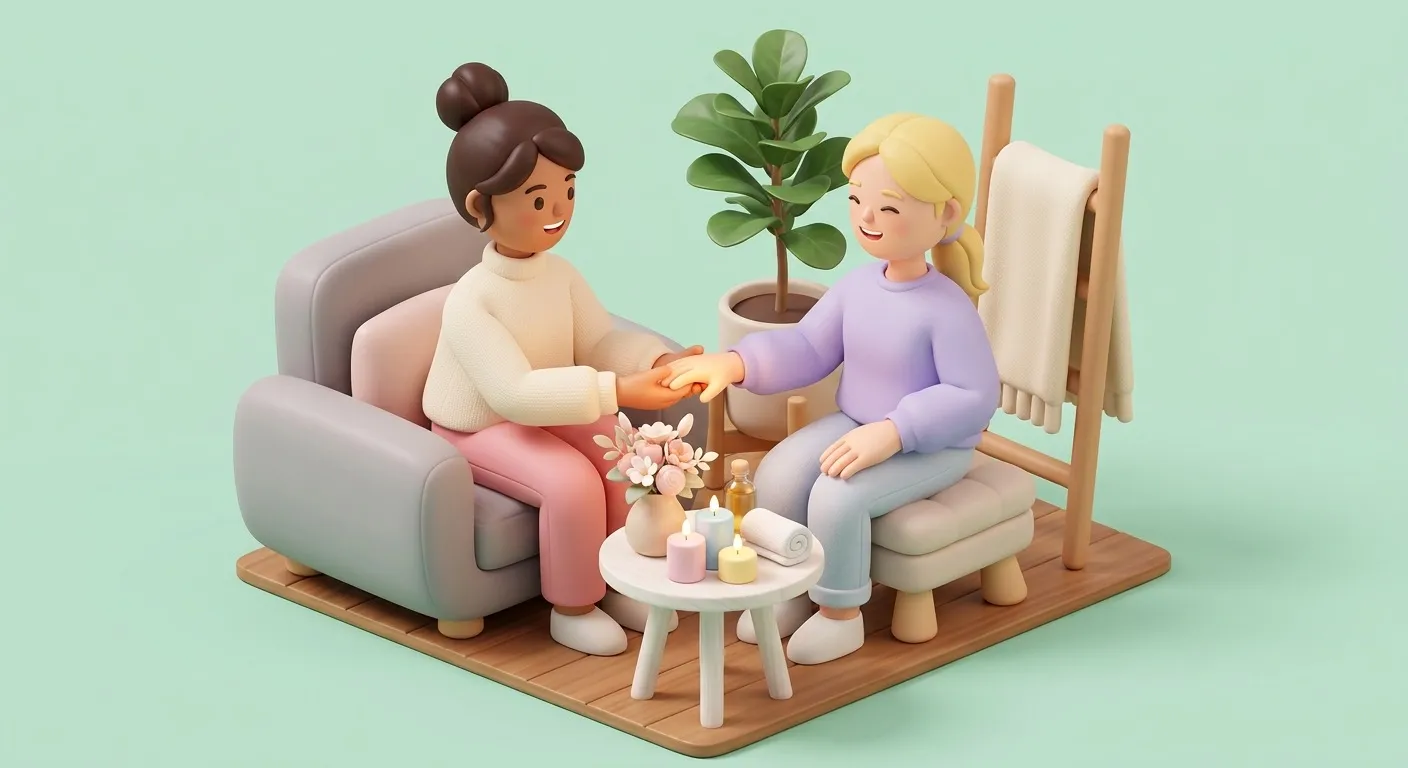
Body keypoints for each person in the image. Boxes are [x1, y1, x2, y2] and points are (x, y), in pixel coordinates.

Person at [666, 113, 1000, 664]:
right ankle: (788, 588)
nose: (867, 217)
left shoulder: (948, 309)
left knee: (837, 498)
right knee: (779, 473)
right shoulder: (858, 286)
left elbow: (973, 395)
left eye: (889, 207)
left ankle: (839, 613)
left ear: (945, 215)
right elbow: (808, 347)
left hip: (932, 447)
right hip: (855, 423)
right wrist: (738, 361)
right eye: (856, 199)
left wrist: (896, 431)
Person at [422, 63, 702, 656]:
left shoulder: (559, 273)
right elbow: (512, 393)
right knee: (571, 480)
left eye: (568, 190)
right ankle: (573, 604)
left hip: (546, 403)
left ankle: (619, 577)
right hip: (479, 428)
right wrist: (619, 389)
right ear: (480, 206)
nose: (559, 210)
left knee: (620, 452)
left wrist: (659, 358)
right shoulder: (472, 300)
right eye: (537, 197)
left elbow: (597, 340)